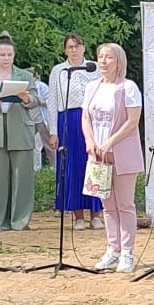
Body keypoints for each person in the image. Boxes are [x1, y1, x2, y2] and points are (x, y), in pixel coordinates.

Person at [81, 43, 143, 273]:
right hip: (98, 154)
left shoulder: (128, 87)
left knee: (124, 204)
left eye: (109, 57)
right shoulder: (92, 87)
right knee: (107, 205)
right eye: (100, 57)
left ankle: (127, 253)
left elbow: (132, 121)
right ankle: (113, 250)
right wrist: (90, 141)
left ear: (119, 62)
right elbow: (85, 117)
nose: (103, 61)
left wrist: (110, 141)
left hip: (122, 152)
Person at [0, 31, 42, 232]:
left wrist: (26, 98)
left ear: (14, 55)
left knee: (22, 180)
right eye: (2, 55)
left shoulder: (25, 76)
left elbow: (35, 100)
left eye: (9, 55)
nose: (6, 58)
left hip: (20, 131)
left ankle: (20, 221)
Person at [45, 33, 104, 230]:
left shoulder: (94, 68)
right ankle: (78, 215)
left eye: (77, 46)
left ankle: (96, 214)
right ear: (65, 50)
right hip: (68, 120)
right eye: (70, 47)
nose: (74, 50)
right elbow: (52, 102)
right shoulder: (59, 71)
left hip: (92, 119)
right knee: (72, 166)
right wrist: (53, 131)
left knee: (93, 164)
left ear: (84, 48)